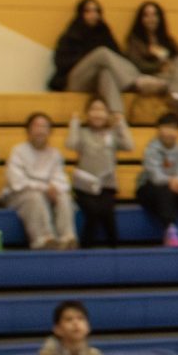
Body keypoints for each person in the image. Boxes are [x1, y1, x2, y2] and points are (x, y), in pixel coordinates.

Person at [51, 0, 164, 116]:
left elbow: (118, 57)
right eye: (88, 11)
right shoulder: (71, 35)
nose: (93, 15)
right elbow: (61, 62)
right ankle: (136, 81)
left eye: (96, 11)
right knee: (102, 53)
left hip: (95, 82)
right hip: (74, 81)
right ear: (81, 14)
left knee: (106, 73)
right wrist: (89, 59)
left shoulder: (104, 32)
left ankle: (117, 115)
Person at [2, 112, 75, 249]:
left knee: (64, 197)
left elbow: (61, 180)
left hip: (47, 195)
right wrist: (44, 188)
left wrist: (54, 188)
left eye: (44, 126)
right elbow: (16, 182)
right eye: (37, 126)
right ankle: (43, 240)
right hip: (20, 196)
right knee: (35, 197)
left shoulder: (55, 154)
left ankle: (67, 238)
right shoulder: (18, 151)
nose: (40, 130)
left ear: (49, 131)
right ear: (28, 130)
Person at [67, 100, 134, 248]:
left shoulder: (112, 133)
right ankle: (85, 251)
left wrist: (121, 124)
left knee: (108, 214)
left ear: (107, 114)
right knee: (93, 211)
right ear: (88, 113)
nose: (98, 114)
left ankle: (115, 251)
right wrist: (74, 124)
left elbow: (129, 146)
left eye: (102, 110)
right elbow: (71, 144)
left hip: (106, 185)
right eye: (93, 109)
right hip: (84, 186)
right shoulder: (82, 133)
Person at [136, 114, 178, 247]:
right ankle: (170, 231)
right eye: (165, 128)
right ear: (158, 130)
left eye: (172, 128)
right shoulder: (150, 150)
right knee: (165, 190)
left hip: (171, 189)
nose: (168, 132)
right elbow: (155, 177)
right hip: (147, 189)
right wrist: (172, 181)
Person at [127, 0, 178, 123]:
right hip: (148, 78)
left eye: (154, 15)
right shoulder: (135, 40)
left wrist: (169, 65)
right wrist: (158, 66)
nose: (151, 18)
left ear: (159, 18)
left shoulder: (166, 39)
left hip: (168, 78)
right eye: (146, 15)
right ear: (141, 19)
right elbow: (136, 64)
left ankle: (175, 95)